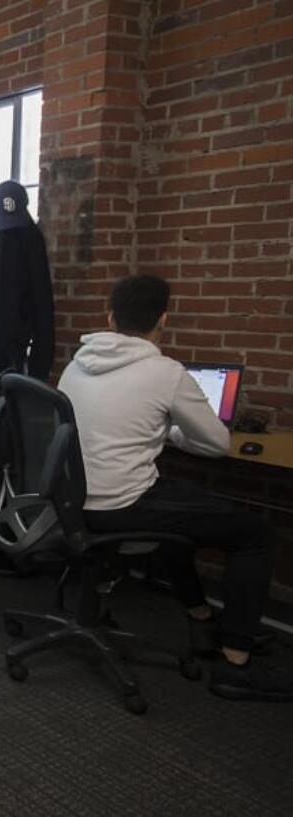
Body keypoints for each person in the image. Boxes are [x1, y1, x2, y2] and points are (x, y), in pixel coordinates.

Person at [58, 274, 289, 702]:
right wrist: (171, 430)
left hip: (72, 501)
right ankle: (237, 663)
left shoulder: (77, 364)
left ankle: (200, 616)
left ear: (110, 317)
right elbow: (217, 444)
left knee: (185, 504)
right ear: (162, 319)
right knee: (256, 535)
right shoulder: (164, 372)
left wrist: (157, 429)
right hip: (123, 504)